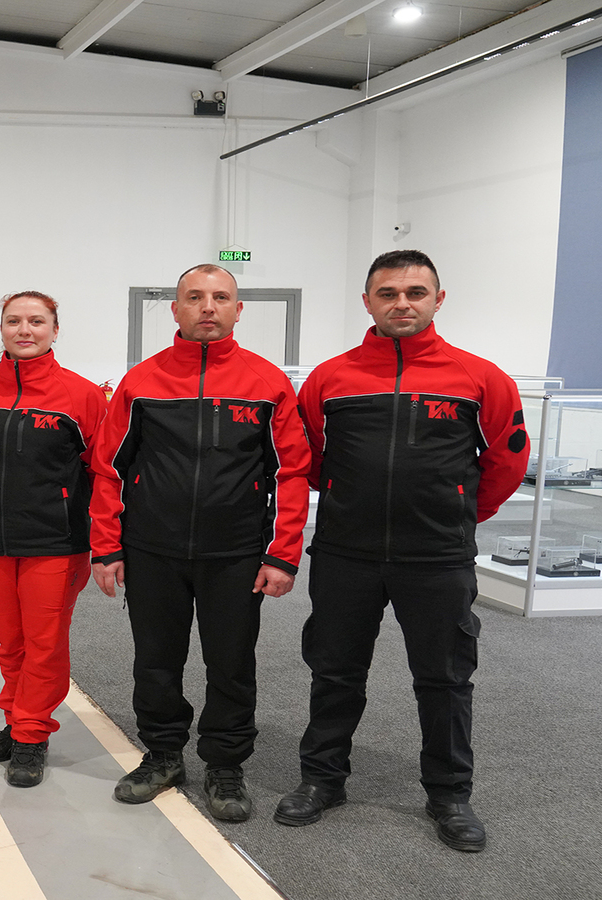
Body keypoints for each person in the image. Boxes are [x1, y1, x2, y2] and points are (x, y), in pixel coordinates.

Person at [275, 250, 529, 852]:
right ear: (368, 302)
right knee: (335, 671)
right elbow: (310, 457)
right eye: (388, 293)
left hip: (437, 557)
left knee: (445, 678)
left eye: (416, 292)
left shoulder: (480, 378)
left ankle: (449, 794)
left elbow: (507, 459)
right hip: (346, 552)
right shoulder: (330, 378)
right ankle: (322, 778)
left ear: (438, 300)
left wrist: (459, 512)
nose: (402, 303)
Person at [89, 264, 310, 822]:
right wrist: (107, 547)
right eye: (195, 297)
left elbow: (291, 472)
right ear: (176, 309)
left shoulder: (267, 383)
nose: (208, 307)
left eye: (220, 297)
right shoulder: (141, 382)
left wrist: (282, 554)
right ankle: (163, 756)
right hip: (152, 551)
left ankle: (225, 764)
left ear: (238, 309)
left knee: (231, 664)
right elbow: (108, 469)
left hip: (236, 554)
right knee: (155, 662)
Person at [0, 291, 106, 787]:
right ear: (1, 328)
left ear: (54, 330)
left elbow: (102, 471)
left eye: (36, 321)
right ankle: (18, 720)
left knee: (44, 644)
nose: (24, 330)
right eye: (13, 321)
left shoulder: (81, 395)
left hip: (55, 542)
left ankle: (32, 735)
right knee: (10, 642)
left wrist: (106, 541)